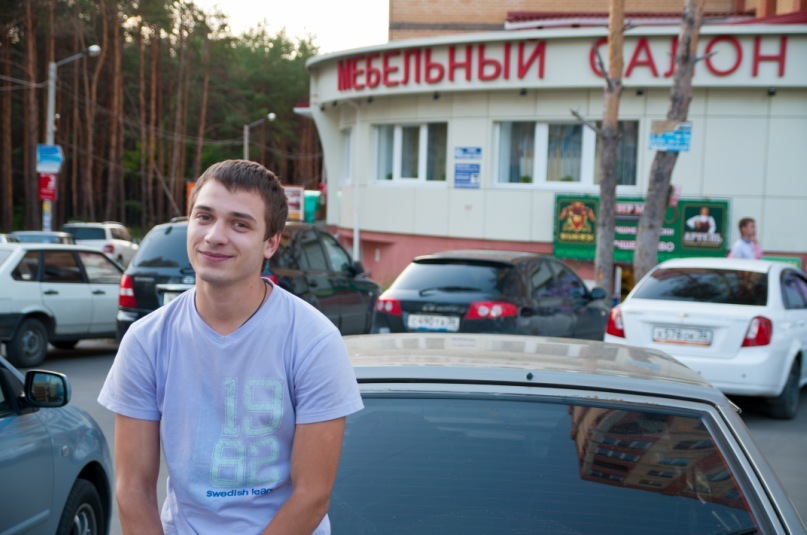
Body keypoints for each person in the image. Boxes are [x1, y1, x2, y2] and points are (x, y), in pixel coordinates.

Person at [98, 160, 363, 534]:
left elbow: (312, 495)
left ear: (270, 243)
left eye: (240, 224)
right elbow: (133, 489)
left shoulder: (313, 340)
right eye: (204, 217)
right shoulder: (146, 341)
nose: (214, 236)